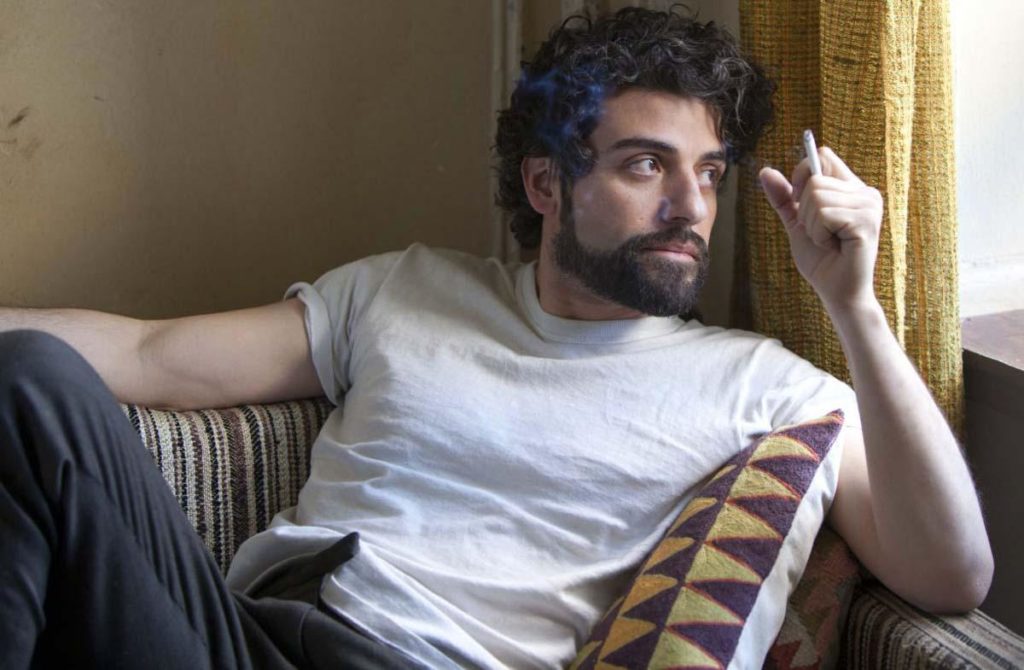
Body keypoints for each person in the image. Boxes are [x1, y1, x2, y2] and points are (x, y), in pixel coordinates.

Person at [0, 7, 992, 669]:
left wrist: (853, 306)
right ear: (547, 184)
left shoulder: (759, 385)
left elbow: (953, 574)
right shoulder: (405, 289)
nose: (692, 204)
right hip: (234, 637)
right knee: (32, 380)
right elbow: (146, 356)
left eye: (710, 171)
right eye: (648, 165)